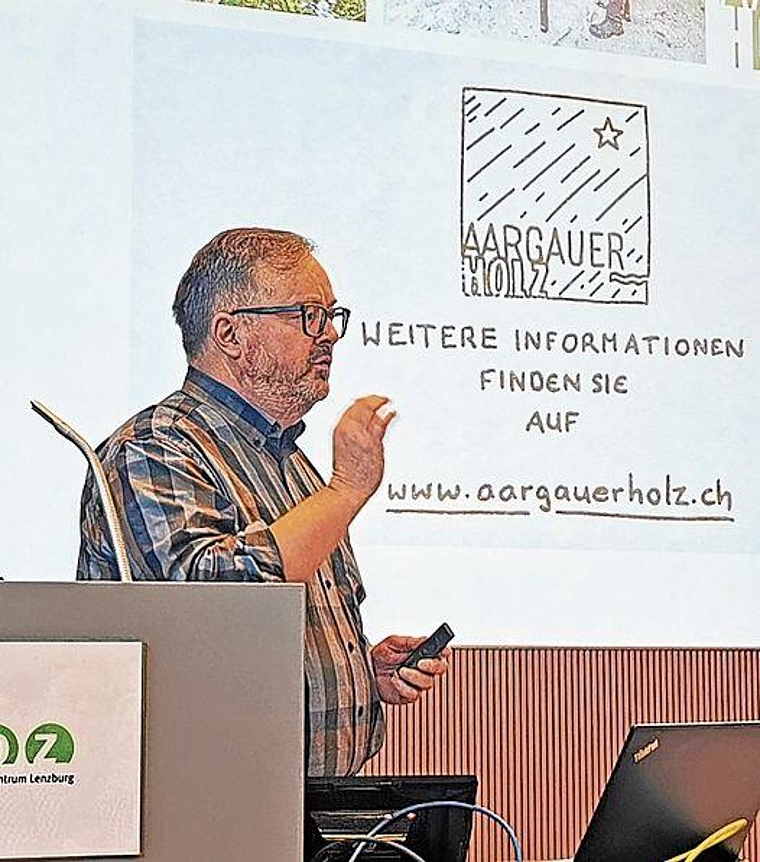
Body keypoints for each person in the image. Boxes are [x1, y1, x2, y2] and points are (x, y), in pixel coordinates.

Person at [77, 227, 449, 782]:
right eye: (307, 315)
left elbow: (267, 642)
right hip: (209, 811)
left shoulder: (290, 462)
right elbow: (218, 604)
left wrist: (356, 674)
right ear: (230, 332)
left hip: (311, 809)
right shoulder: (155, 447)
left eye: (330, 316)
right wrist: (346, 490)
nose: (328, 336)